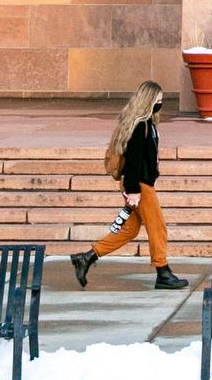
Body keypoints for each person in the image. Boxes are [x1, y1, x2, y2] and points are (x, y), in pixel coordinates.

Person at [72, 80, 187, 291]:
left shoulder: (144, 123)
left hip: (138, 184)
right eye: (157, 101)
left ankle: (86, 257)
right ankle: (163, 272)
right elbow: (133, 160)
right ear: (148, 101)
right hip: (139, 186)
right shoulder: (140, 126)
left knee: (129, 230)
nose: (160, 105)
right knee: (157, 227)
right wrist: (133, 191)